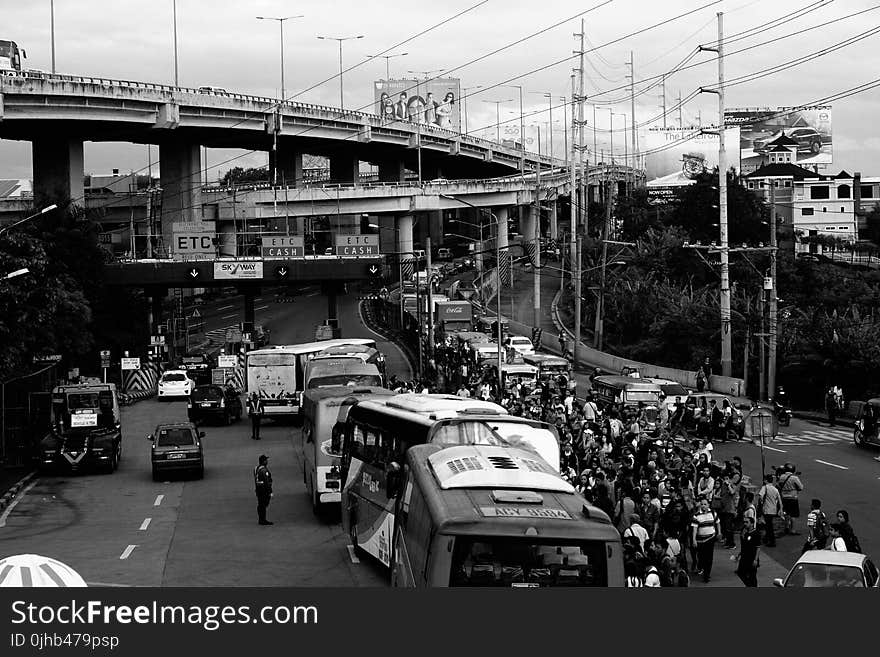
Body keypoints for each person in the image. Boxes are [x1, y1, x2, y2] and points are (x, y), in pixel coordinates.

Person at [691, 495, 720, 583]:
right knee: (701, 557)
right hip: (700, 540)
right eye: (702, 504)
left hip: (710, 538)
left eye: (705, 504)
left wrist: (719, 532)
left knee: (709, 558)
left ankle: (707, 575)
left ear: (708, 505)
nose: (703, 505)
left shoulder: (713, 513)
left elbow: (718, 523)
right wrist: (694, 540)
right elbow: (695, 529)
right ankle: (701, 567)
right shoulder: (696, 516)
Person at [734, 515, 761, 587]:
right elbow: (745, 547)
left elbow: (758, 548)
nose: (745, 523)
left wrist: (755, 560)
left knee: (752, 576)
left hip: (752, 558)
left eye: (747, 522)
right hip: (744, 558)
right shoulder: (746, 533)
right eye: (744, 522)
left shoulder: (756, 533)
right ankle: (749, 585)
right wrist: (738, 555)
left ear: (752, 524)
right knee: (740, 573)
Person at [777, 463, 804, 535]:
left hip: (784, 498)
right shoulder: (794, 478)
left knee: (786, 513)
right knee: (793, 515)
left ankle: (786, 527)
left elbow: (779, 485)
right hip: (793, 498)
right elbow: (801, 487)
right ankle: (793, 530)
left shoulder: (782, 477)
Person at [758, 473, 783, 547]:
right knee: (769, 525)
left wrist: (761, 503)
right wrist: (780, 509)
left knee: (769, 526)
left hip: (766, 509)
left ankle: (771, 541)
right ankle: (767, 539)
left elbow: (760, 496)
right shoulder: (775, 489)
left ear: (766, 480)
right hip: (773, 510)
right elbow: (779, 501)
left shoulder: (765, 487)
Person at [254, 454, 273, 525]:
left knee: (260, 505)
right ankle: (263, 520)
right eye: (266, 460)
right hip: (264, 490)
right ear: (264, 461)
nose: (267, 461)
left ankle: (260, 519)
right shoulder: (264, 470)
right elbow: (267, 482)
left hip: (258, 490)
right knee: (263, 505)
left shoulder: (256, 468)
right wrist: (270, 491)